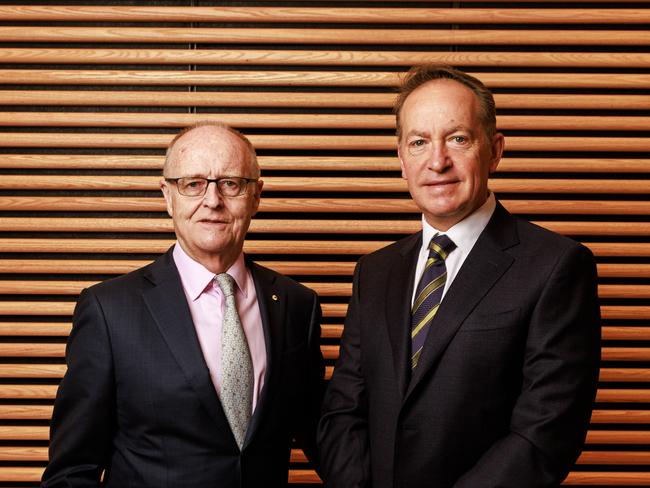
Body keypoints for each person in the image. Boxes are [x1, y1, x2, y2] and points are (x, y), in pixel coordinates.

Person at [318, 66, 600, 488]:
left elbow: (544, 433)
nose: (437, 161)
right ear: (401, 160)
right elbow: (344, 409)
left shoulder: (557, 266)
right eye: (418, 142)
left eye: (458, 138)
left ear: (495, 149)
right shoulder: (374, 272)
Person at [42, 122, 324, 487]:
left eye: (231, 183)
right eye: (193, 184)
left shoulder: (296, 305)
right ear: (167, 196)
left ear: (256, 196)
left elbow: (322, 434)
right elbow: (70, 472)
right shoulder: (109, 311)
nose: (212, 201)